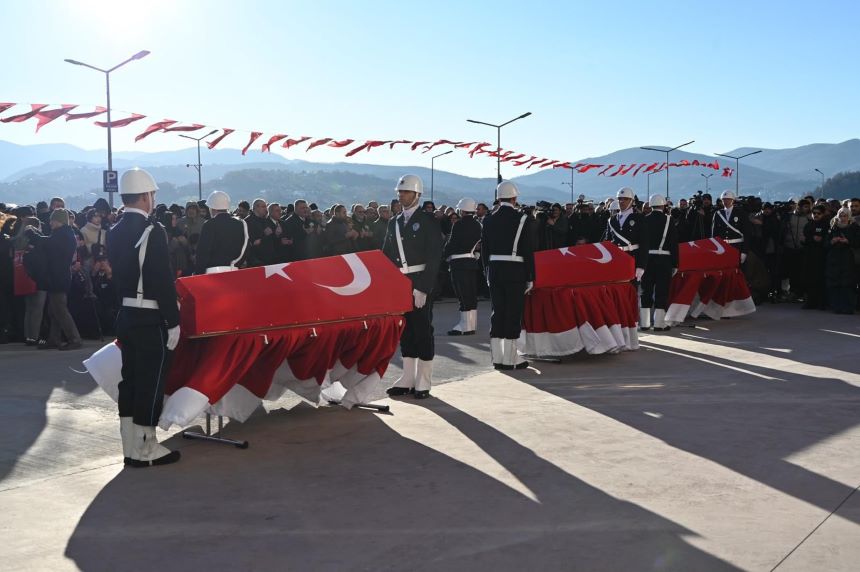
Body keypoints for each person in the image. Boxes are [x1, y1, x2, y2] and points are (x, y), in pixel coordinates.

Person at [107, 167, 181, 467]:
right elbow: (162, 279)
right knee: (151, 381)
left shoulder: (114, 231)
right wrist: (173, 320)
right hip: (150, 317)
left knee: (131, 381)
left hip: (126, 314)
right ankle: (147, 449)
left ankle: (130, 448)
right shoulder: (153, 230)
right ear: (146, 196)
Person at [382, 175, 443, 399]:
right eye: (399, 192)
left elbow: (435, 256)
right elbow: (387, 255)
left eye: (406, 192)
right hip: (400, 283)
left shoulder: (428, 221)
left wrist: (424, 287)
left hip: (420, 281)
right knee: (405, 332)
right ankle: (407, 378)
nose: (401, 196)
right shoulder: (394, 222)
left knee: (423, 330)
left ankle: (423, 381)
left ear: (417, 195)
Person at [481, 181, 535, 370]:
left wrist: (487, 272)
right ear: (514, 198)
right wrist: (530, 276)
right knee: (513, 312)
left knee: (498, 312)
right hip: (515, 270)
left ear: (498, 197)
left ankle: (497, 358)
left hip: (494, 270)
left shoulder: (488, 219)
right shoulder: (523, 219)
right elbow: (528, 250)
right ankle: (511, 359)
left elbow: (485, 250)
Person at [24, 209, 82, 350]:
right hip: (57, 275)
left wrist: (34, 235)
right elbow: (49, 243)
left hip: (58, 276)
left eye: (53, 220)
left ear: (60, 221)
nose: (50, 223)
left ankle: (74, 338)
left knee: (60, 309)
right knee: (53, 310)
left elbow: (49, 244)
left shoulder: (64, 235)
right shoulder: (64, 234)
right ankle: (54, 339)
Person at [443, 198, 482, 336]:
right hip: (471, 262)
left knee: (462, 295)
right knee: (471, 295)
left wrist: (443, 255)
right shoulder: (478, 225)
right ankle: (471, 324)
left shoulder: (458, 224)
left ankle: (464, 326)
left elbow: (452, 244)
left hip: (459, 263)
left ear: (462, 210)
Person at [640, 194, 678, 331]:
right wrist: (675, 264)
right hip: (664, 260)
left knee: (646, 290)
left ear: (650, 205)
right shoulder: (669, 220)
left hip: (647, 259)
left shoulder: (644, 219)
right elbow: (673, 244)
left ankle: (644, 323)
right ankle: (659, 323)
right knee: (662, 291)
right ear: (663, 206)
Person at [194, 190, 248, 274]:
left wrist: (198, 273)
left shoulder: (209, 224)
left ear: (212, 208)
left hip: (212, 272)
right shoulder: (240, 223)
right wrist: (235, 264)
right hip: (234, 270)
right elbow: (245, 248)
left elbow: (202, 253)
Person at [603, 187, 648, 282]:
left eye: (625, 199)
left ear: (632, 201)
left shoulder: (639, 218)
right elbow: (608, 242)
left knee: (631, 290)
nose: (622, 201)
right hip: (616, 259)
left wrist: (641, 266)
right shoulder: (612, 220)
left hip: (632, 258)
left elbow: (644, 243)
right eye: (620, 199)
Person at [826, 207, 859, 314]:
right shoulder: (833, 228)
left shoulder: (854, 228)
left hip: (848, 259)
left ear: (849, 217)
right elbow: (825, 244)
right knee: (835, 283)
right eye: (841, 215)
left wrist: (848, 241)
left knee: (848, 284)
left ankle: (848, 307)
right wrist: (832, 241)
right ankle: (837, 307)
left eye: (845, 216)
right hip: (834, 260)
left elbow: (858, 242)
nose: (843, 218)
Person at [712, 190, 750, 264]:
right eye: (724, 199)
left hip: (737, 247)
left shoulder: (741, 213)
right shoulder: (718, 214)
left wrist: (744, 252)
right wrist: (715, 249)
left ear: (732, 200)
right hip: (722, 248)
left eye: (728, 199)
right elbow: (714, 234)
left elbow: (747, 233)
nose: (726, 201)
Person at [245, 198, 276, 267]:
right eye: (264, 207)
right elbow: (252, 242)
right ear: (256, 207)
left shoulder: (267, 220)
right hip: (257, 261)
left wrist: (277, 233)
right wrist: (264, 235)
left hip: (270, 260)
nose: (266, 209)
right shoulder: (247, 222)